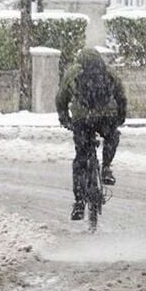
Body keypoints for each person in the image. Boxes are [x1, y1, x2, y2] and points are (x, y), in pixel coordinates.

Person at [55, 48, 127, 220]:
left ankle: (79, 203)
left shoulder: (73, 72)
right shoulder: (108, 71)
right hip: (106, 117)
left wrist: (65, 118)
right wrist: (120, 117)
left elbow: (61, 98)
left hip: (82, 119)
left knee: (81, 159)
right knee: (112, 136)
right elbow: (120, 95)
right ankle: (107, 168)